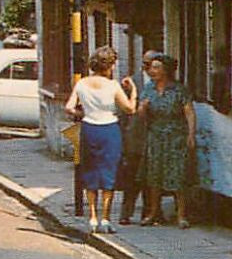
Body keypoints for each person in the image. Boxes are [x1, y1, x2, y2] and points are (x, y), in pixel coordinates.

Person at [64, 46, 138, 233]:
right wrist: (134, 91)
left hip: (89, 129)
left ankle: (92, 218)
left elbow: (69, 108)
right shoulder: (113, 86)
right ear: (109, 65)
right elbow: (129, 109)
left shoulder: (81, 84)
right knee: (108, 172)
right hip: (109, 130)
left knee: (90, 171)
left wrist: (83, 112)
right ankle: (105, 218)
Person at [138, 54, 198, 228]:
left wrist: (191, 134)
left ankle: (181, 215)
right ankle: (153, 213)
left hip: (176, 137)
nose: (152, 71)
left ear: (166, 71)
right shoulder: (149, 88)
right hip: (156, 136)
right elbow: (141, 115)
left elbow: (189, 112)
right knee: (154, 176)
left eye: (156, 68)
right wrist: (142, 108)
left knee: (178, 176)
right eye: (151, 68)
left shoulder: (179, 90)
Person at [118, 49, 161, 225]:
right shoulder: (131, 82)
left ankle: (149, 213)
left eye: (151, 64)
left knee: (150, 178)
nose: (147, 67)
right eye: (145, 63)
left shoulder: (162, 83)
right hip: (135, 137)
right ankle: (126, 213)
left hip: (154, 137)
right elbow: (123, 112)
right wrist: (123, 136)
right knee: (131, 178)